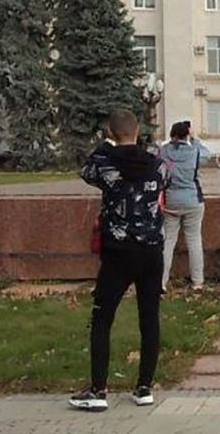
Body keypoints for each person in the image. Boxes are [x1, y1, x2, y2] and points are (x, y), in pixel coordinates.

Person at [70, 109, 168, 412]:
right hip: (152, 251)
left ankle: (99, 390)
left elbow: (86, 170)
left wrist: (107, 145)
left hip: (118, 252)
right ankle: (144, 387)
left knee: (102, 318)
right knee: (149, 317)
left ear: (110, 134)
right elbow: (167, 181)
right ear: (137, 130)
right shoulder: (158, 164)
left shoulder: (104, 163)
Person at [159, 120, 211, 292]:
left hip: (171, 200)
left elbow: (157, 158)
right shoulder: (195, 152)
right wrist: (194, 138)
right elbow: (207, 154)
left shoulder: (164, 152)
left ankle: (161, 282)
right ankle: (198, 282)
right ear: (187, 135)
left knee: (168, 242)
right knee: (194, 241)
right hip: (193, 200)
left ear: (172, 135)